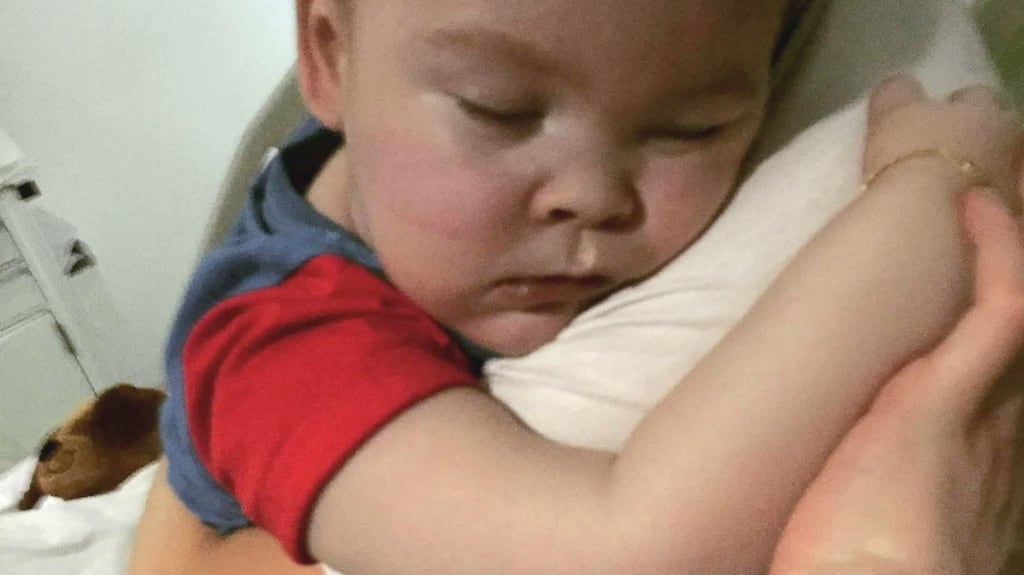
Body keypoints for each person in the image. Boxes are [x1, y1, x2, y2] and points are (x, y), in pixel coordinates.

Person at [129, 0, 1024, 573]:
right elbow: (623, 550)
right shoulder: (278, 347)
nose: (594, 195)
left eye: (692, 127)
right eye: (498, 109)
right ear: (328, 61)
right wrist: (930, 188)